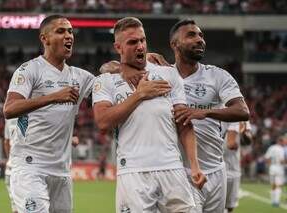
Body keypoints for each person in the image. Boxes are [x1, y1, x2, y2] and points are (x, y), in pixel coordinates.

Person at [101, 18, 250, 213]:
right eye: (191, 35)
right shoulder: (163, 75)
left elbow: (243, 111)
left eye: (201, 35)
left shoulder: (218, 76)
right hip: (180, 171)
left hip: (216, 169)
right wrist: (123, 68)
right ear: (174, 44)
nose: (199, 40)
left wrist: (203, 112)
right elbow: (107, 67)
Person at [93, 17, 205, 213]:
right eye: (132, 42)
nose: (140, 46)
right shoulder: (106, 80)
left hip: (172, 169)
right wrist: (139, 95)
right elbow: (103, 122)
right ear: (118, 47)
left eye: (142, 40)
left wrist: (195, 166)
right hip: (133, 172)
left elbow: (184, 124)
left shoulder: (168, 75)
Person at [3, 15, 95, 213]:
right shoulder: (29, 70)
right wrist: (53, 97)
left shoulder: (80, 77)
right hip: (30, 167)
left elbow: (107, 80)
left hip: (62, 170)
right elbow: (9, 109)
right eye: (60, 31)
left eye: (70, 31)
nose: (68, 36)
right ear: (44, 38)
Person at [222, 121, 252, 212]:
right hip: (215, 167)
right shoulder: (214, 110)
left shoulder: (242, 118)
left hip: (232, 168)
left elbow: (248, 141)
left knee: (230, 206)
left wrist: (243, 133)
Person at [264, 134, 287, 207]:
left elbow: (267, 158)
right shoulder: (280, 149)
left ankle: (272, 201)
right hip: (279, 168)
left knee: (273, 185)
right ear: (281, 141)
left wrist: (270, 165)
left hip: (272, 168)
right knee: (278, 185)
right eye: (284, 141)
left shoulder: (271, 147)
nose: (285, 143)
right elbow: (281, 161)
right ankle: (276, 202)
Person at [4, 118, 18, 213]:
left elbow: (6, 142)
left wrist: (10, 159)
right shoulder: (32, 115)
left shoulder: (9, 117)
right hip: (25, 169)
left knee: (15, 208)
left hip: (10, 168)